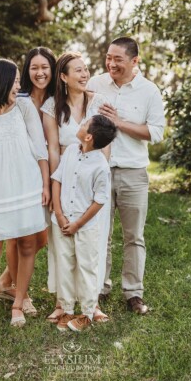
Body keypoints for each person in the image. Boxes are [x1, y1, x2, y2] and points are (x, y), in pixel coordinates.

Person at [0, 58, 49, 327]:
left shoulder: (24, 107)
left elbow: (39, 148)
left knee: (27, 244)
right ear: (0, 81)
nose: (18, 86)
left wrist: (45, 185)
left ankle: (18, 304)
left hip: (27, 184)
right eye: (14, 81)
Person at [87, 36, 165, 314]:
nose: (111, 63)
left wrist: (119, 122)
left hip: (133, 173)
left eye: (118, 59)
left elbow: (155, 133)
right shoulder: (94, 84)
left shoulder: (149, 91)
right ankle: (98, 288)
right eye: (109, 57)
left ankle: (133, 293)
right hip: (98, 171)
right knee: (99, 234)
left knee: (134, 236)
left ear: (135, 61)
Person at [41, 51, 111, 323]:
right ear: (63, 77)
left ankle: (90, 304)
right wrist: (54, 187)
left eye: (86, 70)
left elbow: (105, 143)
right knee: (63, 246)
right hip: (64, 177)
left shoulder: (100, 102)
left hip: (92, 180)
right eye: (78, 70)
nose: (84, 75)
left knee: (91, 246)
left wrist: (95, 178)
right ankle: (63, 302)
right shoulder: (52, 107)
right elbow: (53, 149)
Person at [0, 48, 56, 316]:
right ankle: (21, 291)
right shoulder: (16, 99)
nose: (40, 73)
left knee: (41, 237)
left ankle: (6, 281)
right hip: (19, 174)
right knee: (18, 236)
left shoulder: (58, 100)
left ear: (53, 70)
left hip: (49, 170)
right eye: (34, 68)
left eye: (45, 67)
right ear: (26, 70)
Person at [52, 115, 117, 332]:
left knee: (87, 266)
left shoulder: (101, 166)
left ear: (88, 137)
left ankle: (87, 313)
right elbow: (57, 179)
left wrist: (78, 223)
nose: (79, 125)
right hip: (62, 221)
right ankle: (67, 308)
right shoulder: (70, 150)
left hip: (85, 226)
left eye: (83, 124)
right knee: (65, 264)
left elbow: (100, 200)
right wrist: (59, 214)